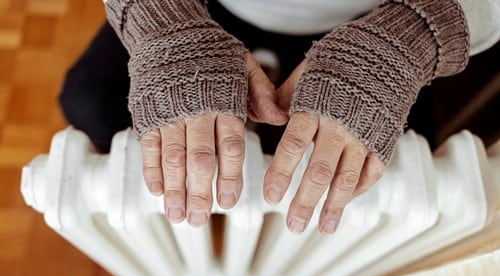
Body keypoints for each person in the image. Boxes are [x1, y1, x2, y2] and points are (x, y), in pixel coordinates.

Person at [59, 0, 500, 234]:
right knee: (89, 102)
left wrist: (414, 35)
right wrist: (160, 19)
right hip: (194, 7)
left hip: (381, 23)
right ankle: (181, 209)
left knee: (402, 151)